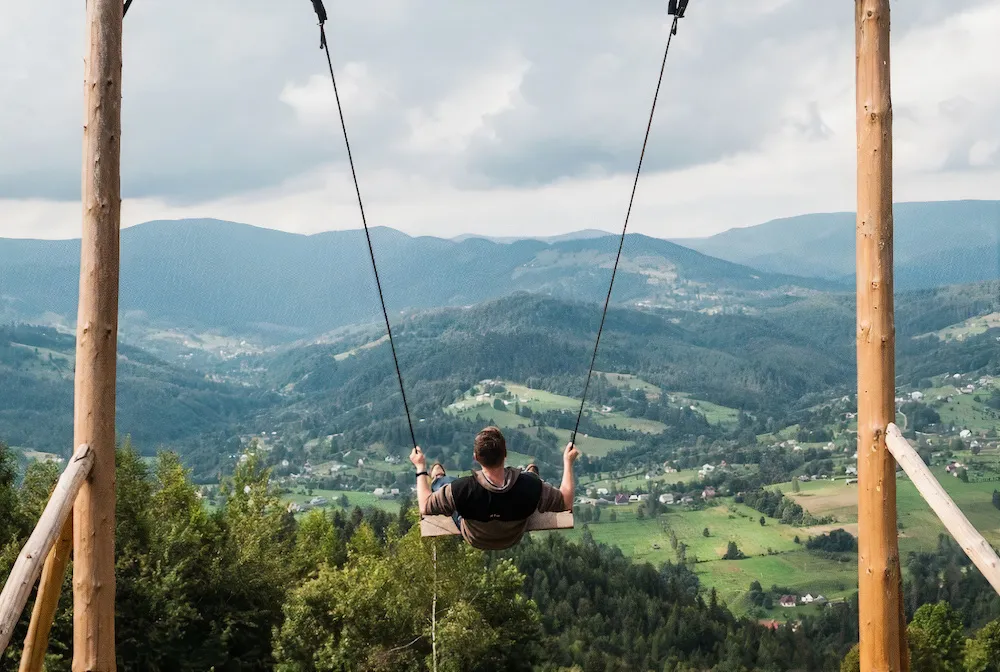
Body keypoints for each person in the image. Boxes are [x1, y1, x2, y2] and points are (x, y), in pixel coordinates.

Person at [410, 426, 579, 551]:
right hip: (511, 537)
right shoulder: (530, 487)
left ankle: (439, 478)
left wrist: (420, 467)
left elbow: (425, 506)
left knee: (444, 485)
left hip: (475, 538)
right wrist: (568, 462)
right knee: (530, 479)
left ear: (475, 457)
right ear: (505, 454)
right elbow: (566, 502)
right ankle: (532, 473)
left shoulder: (462, 489)